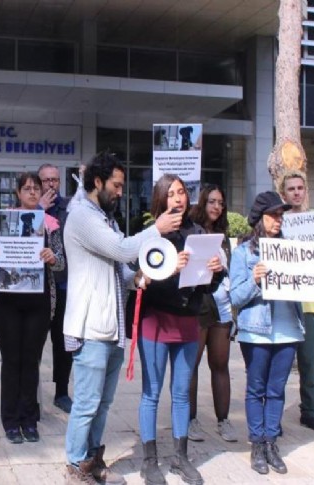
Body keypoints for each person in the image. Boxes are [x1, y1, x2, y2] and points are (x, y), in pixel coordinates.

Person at [62, 152, 182, 485]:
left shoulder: (104, 217)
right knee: (87, 403)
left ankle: (92, 460)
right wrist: (156, 229)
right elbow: (122, 249)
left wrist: (140, 278)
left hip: (110, 328)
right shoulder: (82, 217)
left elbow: (122, 269)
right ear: (97, 183)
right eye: (115, 186)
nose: (120, 192)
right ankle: (75, 466)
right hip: (90, 327)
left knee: (103, 403)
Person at [134, 175, 224, 485]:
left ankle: (180, 457)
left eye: (182, 192)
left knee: (182, 393)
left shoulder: (198, 233)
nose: (178, 198)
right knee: (152, 393)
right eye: (171, 193)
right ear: (160, 199)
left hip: (188, 321)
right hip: (156, 321)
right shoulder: (151, 235)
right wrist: (171, 270)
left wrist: (214, 272)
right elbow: (141, 279)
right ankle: (149, 461)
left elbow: (207, 284)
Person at [0, 172, 65, 443]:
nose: (32, 192)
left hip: (38, 303)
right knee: (12, 361)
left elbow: (62, 262)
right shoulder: (4, 220)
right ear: (18, 193)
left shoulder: (51, 225)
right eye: (27, 188)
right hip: (7, 302)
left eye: (36, 188)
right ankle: (10, 421)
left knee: (31, 362)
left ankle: (29, 420)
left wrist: (52, 258)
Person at [230, 191, 302, 475]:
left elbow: (307, 284)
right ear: (259, 218)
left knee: (277, 390)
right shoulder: (243, 253)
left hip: (288, 331)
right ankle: (257, 443)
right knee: (256, 389)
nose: (277, 221)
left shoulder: (292, 249)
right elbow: (234, 298)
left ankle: (271, 442)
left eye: (281, 216)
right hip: (256, 332)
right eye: (273, 215)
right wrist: (254, 279)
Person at [279, 170, 314, 435]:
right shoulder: (278, 225)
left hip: (311, 307)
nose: (297, 192)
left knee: (309, 365)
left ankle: (310, 412)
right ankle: (272, 417)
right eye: (291, 189)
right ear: (284, 194)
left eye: (300, 187)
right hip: (286, 307)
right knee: (277, 367)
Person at [187, 184, 237, 444]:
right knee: (192, 364)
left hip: (222, 307)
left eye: (221, 202)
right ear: (203, 203)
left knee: (220, 364)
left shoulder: (224, 237)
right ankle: (191, 419)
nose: (217, 207)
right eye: (212, 202)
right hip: (199, 305)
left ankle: (223, 420)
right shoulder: (193, 233)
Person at [37, 163, 74, 413]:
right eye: (46, 180)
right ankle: (33, 394)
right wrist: (39, 211)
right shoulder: (31, 209)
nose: (51, 184)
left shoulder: (69, 209)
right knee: (35, 342)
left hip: (62, 284)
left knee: (62, 343)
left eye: (55, 180)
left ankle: (61, 392)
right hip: (37, 288)